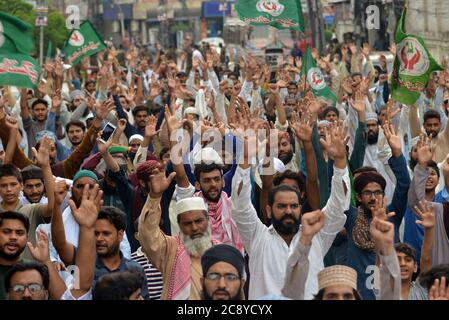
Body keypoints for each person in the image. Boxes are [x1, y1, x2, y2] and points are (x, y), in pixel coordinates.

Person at [231, 122, 351, 299]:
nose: (288, 211)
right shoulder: (257, 237)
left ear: (300, 208)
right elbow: (240, 205)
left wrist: (340, 163)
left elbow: (338, 206)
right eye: (281, 206)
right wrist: (245, 161)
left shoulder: (317, 237)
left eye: (293, 206)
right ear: (269, 210)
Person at [137, 166, 219, 299]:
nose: (194, 228)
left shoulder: (221, 251)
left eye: (199, 221)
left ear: (208, 220)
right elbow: (148, 234)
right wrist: (154, 198)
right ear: (180, 226)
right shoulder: (171, 249)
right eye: (187, 223)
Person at [0, 211, 30, 300]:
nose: (13, 237)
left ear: (27, 238)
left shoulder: (34, 272)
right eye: (6, 232)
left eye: (19, 233)